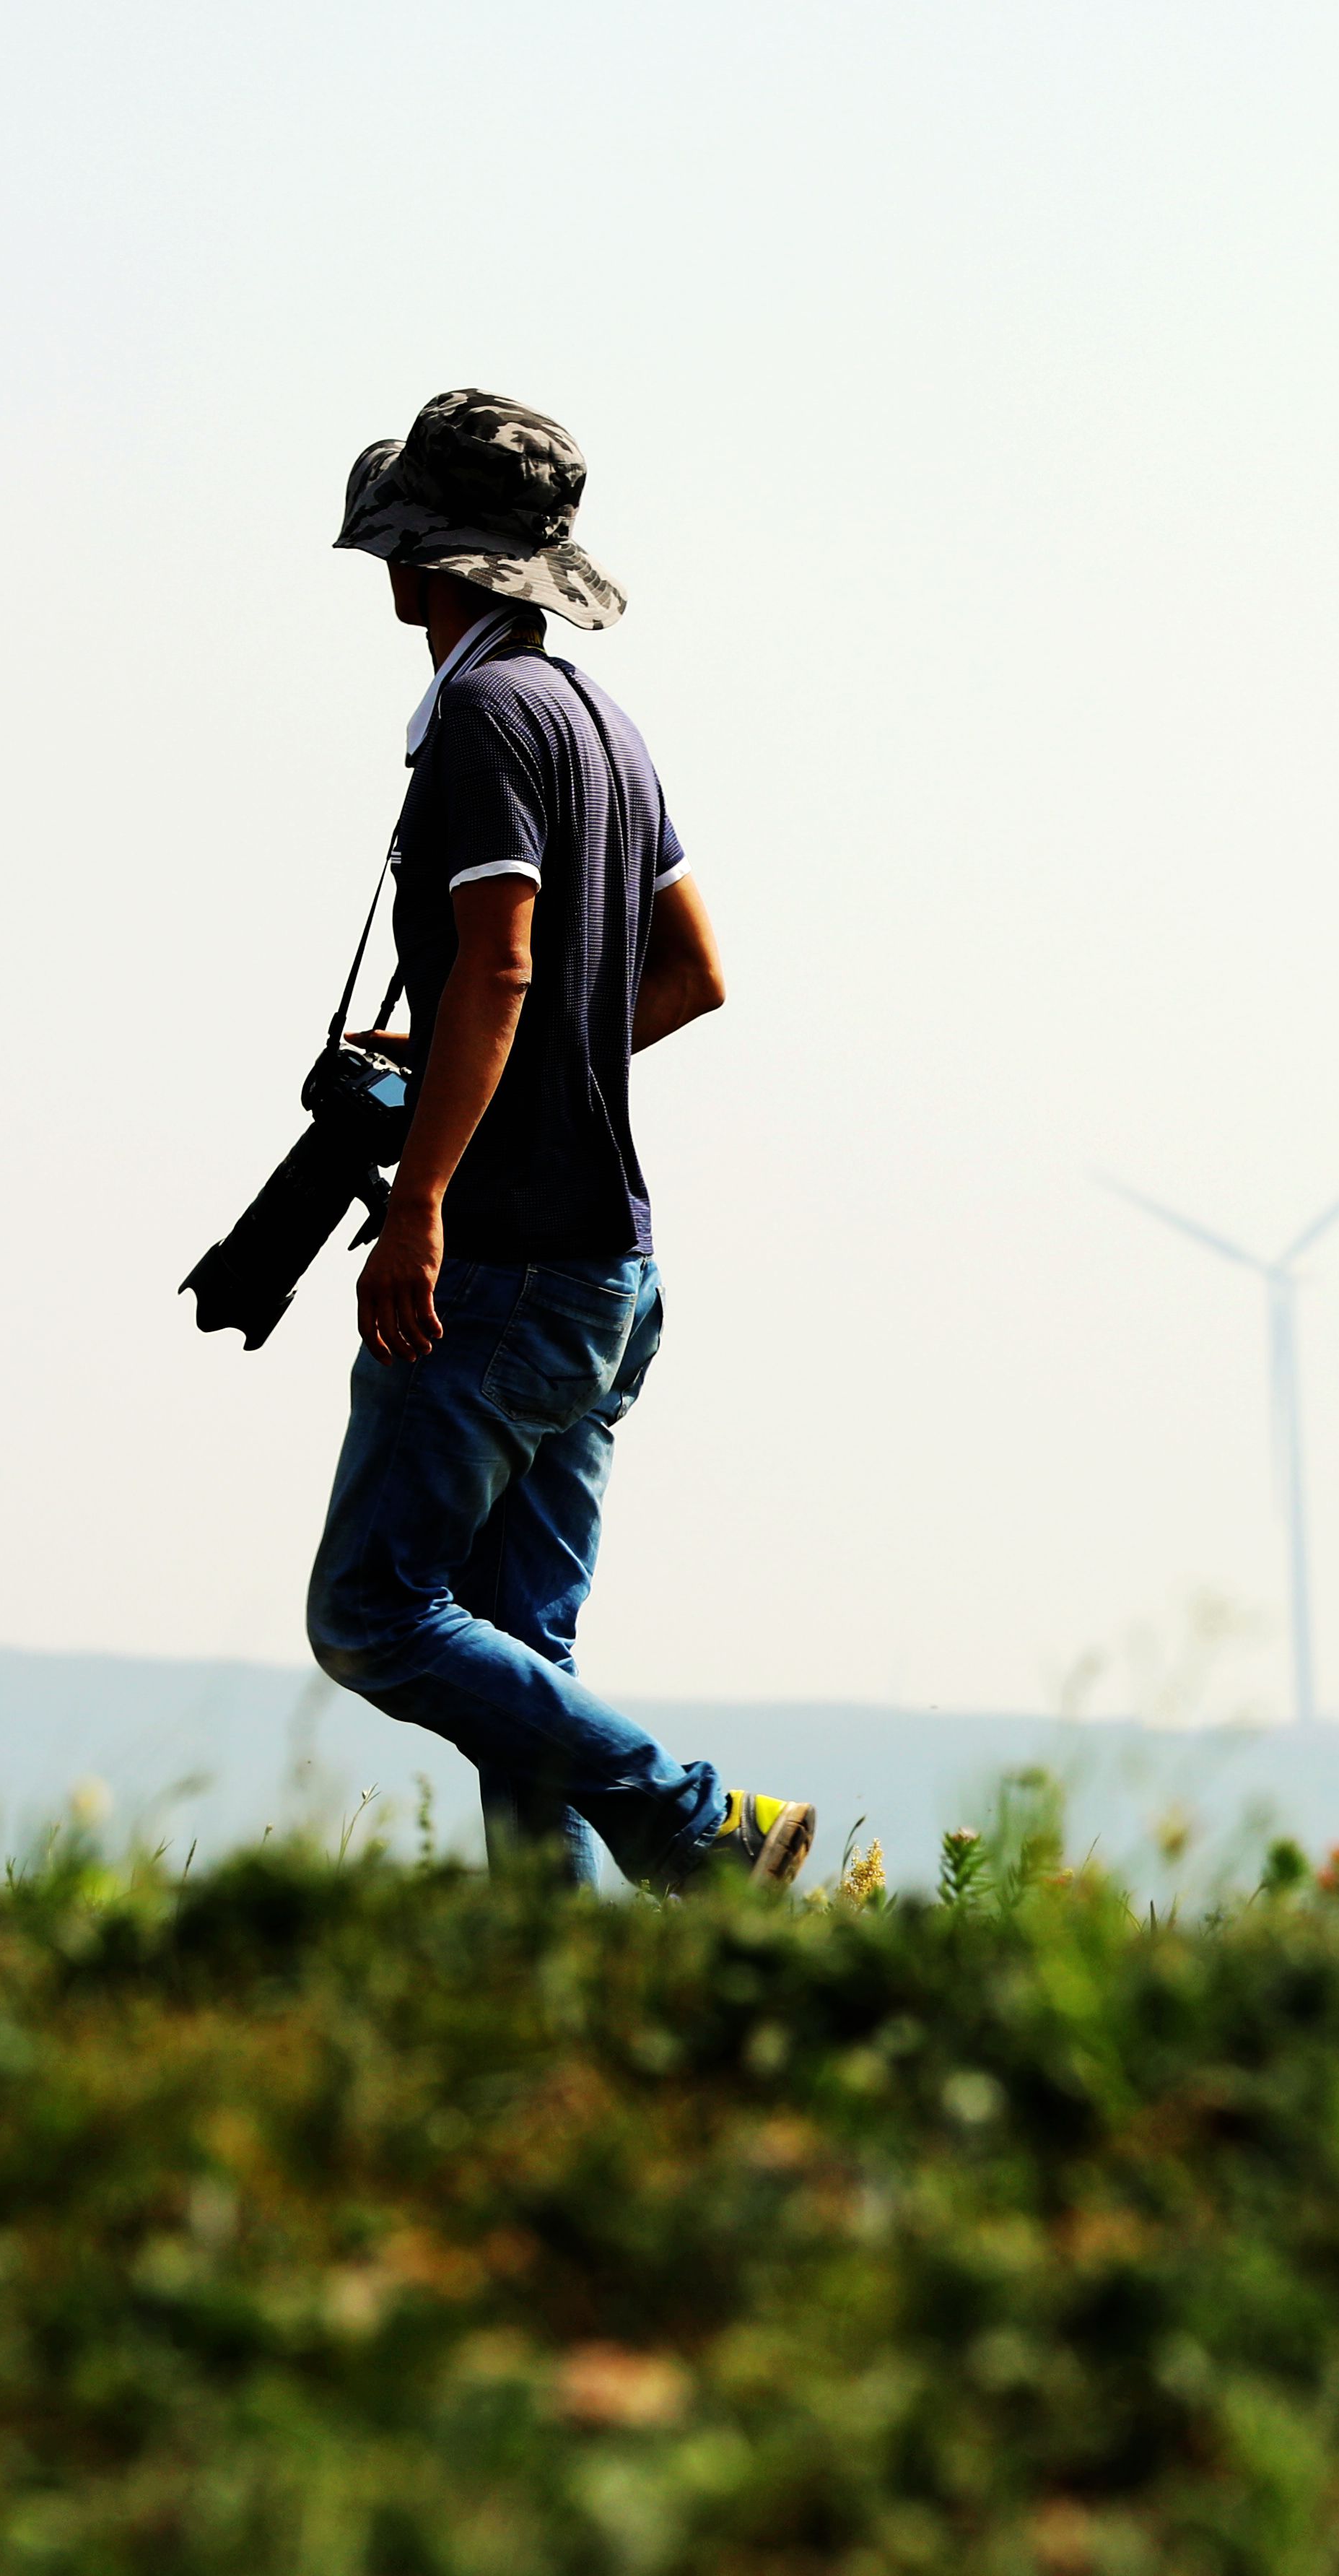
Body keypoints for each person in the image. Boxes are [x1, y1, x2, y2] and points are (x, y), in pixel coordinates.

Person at [299, 388, 811, 1891]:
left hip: (508, 1258)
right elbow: (687, 971)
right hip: (612, 1272)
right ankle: (559, 1987)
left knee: (375, 1612)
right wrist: (487, 1061)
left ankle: (705, 1819)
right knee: (521, 1649)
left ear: (420, 557)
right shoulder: (605, 722)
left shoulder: (478, 716)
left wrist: (422, 1203)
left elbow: (506, 965)